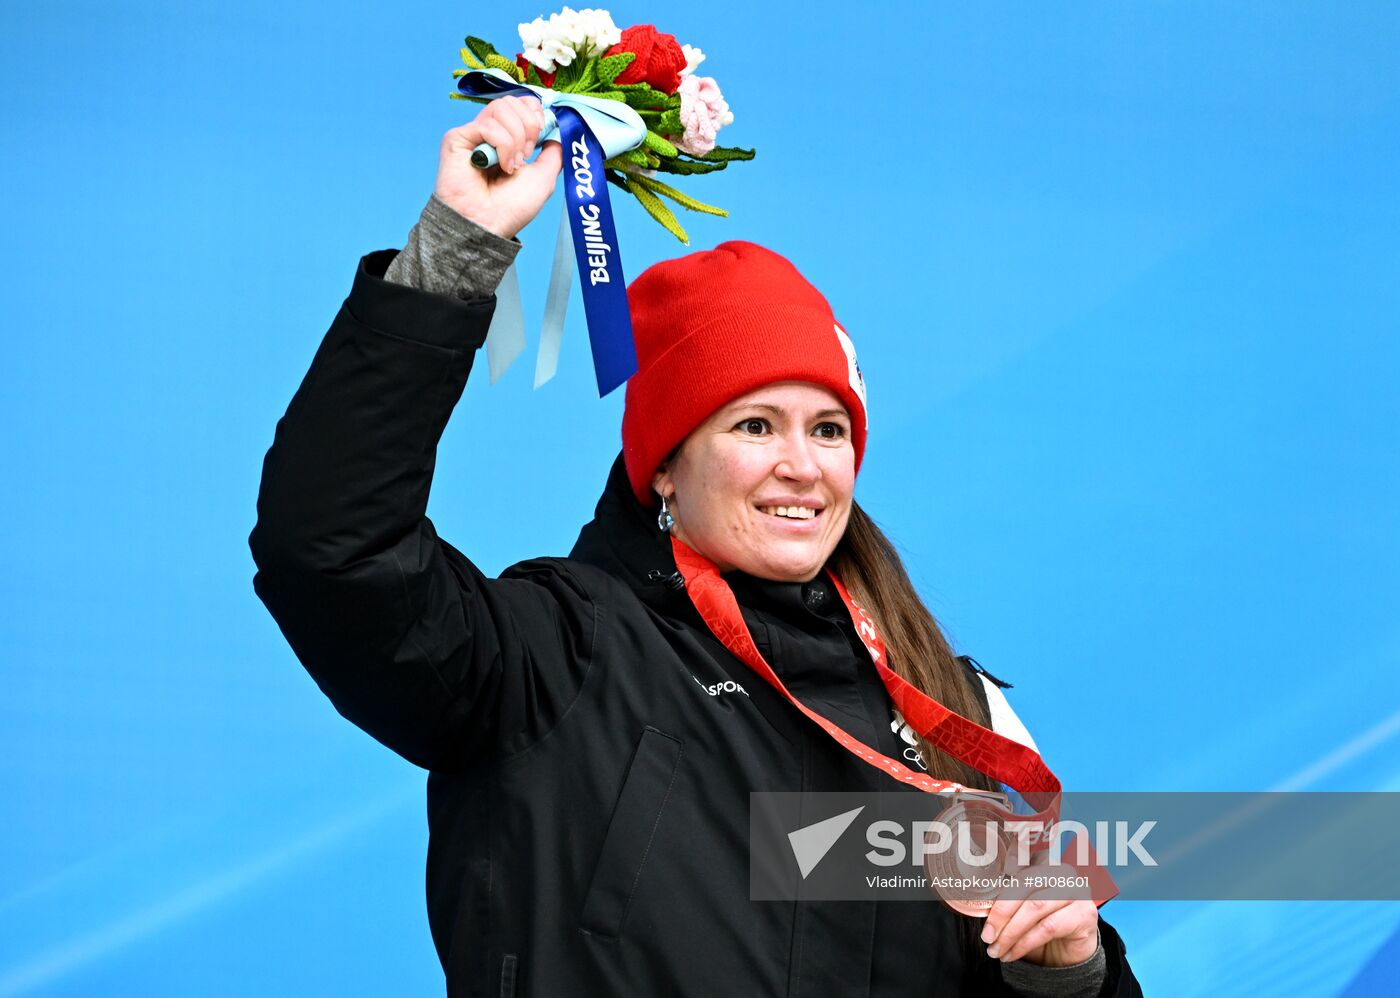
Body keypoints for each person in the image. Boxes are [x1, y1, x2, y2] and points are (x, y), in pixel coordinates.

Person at [249, 95, 1142, 997]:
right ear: (667, 466)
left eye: (829, 430)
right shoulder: (552, 660)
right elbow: (332, 550)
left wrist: (1069, 973)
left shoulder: (947, 706)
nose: (803, 466)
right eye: (755, 426)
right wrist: (454, 251)